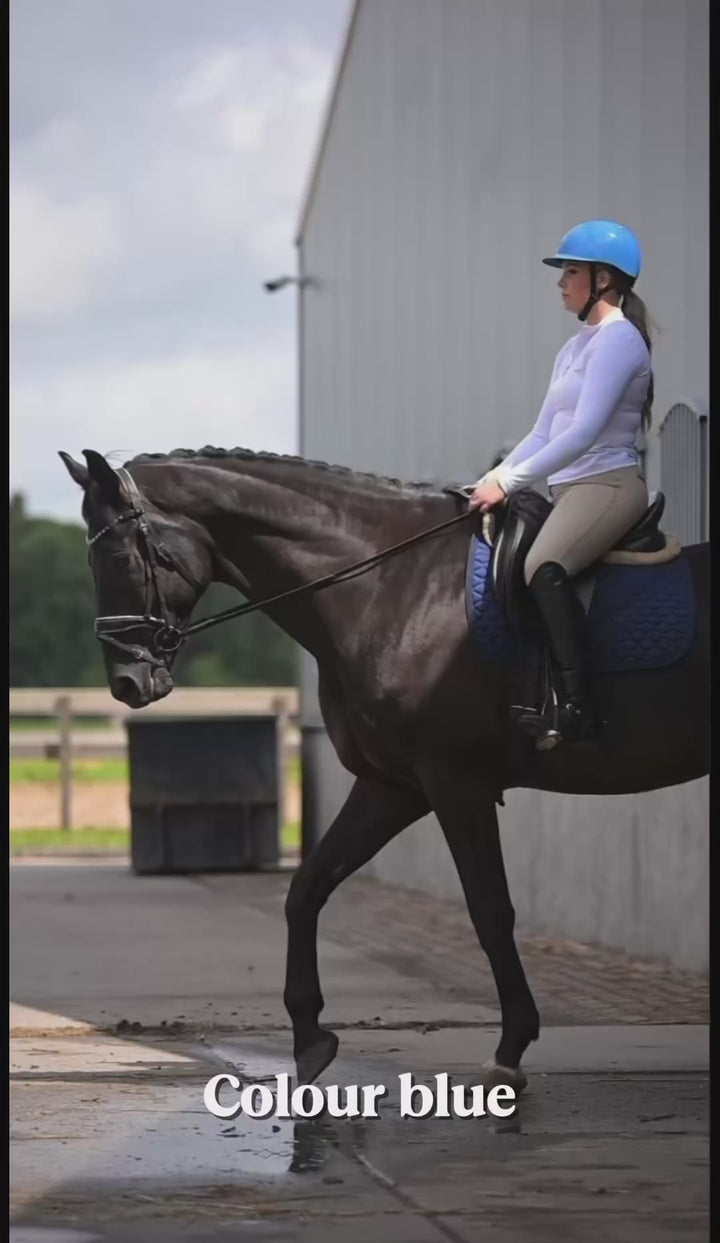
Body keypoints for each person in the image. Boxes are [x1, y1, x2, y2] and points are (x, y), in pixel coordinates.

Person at [469, 219, 654, 746]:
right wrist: (491, 478)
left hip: (608, 486)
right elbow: (542, 431)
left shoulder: (619, 341)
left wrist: (512, 483)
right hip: (569, 489)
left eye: (570, 271)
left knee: (542, 567)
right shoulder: (573, 347)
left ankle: (579, 705)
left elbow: (583, 432)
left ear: (604, 280)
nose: (560, 281)